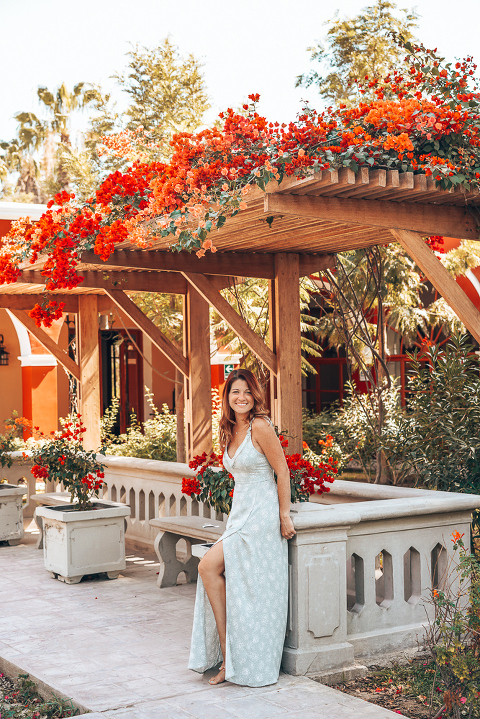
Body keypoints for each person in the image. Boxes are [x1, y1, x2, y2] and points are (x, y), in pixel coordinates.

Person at [188, 368, 296, 687]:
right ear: (227, 398)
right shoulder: (229, 429)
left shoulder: (259, 426)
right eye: (236, 392)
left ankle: (235, 660)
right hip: (240, 516)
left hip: (261, 518)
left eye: (247, 392)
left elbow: (283, 472)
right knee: (224, 578)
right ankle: (228, 657)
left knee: (213, 568)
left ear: (254, 396)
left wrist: (284, 514)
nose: (242, 397)